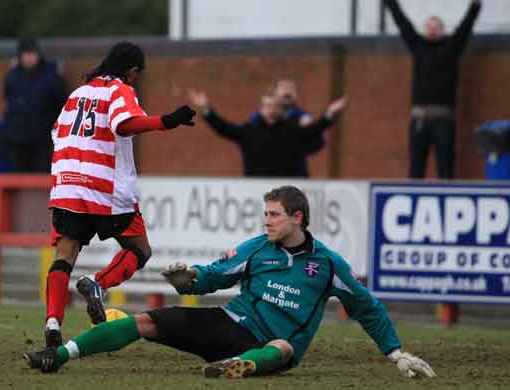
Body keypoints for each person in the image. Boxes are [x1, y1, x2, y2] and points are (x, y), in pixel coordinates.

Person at [25, 185, 436, 380]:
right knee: (145, 321)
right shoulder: (258, 248)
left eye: (274, 215)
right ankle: (61, 355)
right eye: (266, 214)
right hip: (229, 323)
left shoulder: (328, 265)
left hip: (273, 345)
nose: (267, 221)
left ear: (298, 218)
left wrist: (395, 352)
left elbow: (366, 306)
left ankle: (235, 368)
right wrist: (190, 281)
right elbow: (216, 276)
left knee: (283, 347)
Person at [42, 41, 196, 352]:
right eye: (137, 74)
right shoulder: (119, 89)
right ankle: (97, 283)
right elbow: (125, 124)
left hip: (68, 186)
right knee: (140, 249)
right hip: (105, 188)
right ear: (132, 71)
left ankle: (52, 322)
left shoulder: (77, 94)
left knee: (65, 256)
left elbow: (56, 133)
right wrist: (167, 121)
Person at [385, 0, 482, 179]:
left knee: (445, 168)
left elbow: (465, 27)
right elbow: (402, 23)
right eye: (429, 27)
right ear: (424, 30)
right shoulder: (417, 47)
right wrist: (391, 3)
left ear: (442, 30)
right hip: (419, 120)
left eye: (436, 27)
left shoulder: (451, 48)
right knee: (416, 169)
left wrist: (475, 6)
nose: (432, 30)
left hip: (443, 121)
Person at [189, 90, 347, 177]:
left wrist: (330, 113)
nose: (271, 109)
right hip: (254, 191)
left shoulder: (292, 130)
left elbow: (315, 129)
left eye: (275, 106)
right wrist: (206, 110)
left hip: (285, 191)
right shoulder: (250, 130)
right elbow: (224, 128)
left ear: (281, 109)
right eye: (267, 105)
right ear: (261, 108)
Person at [2, 37, 67, 172]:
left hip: (43, 139)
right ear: (20, 56)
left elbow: (62, 104)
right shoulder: (12, 76)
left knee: (42, 176)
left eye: (33, 53)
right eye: (26, 54)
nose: (30, 58)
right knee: (19, 178)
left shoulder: (51, 76)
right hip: (18, 139)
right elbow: (8, 101)